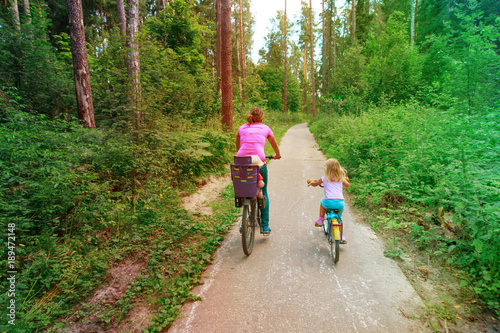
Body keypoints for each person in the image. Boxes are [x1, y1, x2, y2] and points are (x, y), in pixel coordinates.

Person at [236, 107, 281, 234]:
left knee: (244, 187)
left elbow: (238, 146)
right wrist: (277, 155)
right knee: (264, 190)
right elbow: (274, 144)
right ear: (262, 118)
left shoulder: (241, 128)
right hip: (258, 163)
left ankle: (245, 217)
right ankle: (265, 226)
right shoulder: (265, 128)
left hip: (241, 163)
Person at [308, 158, 350, 243]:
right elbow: (347, 185)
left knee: (322, 202)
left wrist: (311, 182)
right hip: (340, 203)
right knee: (339, 219)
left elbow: (315, 184)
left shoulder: (324, 178)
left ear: (326, 169)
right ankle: (342, 236)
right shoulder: (341, 178)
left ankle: (320, 219)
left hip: (329, 202)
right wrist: (344, 179)